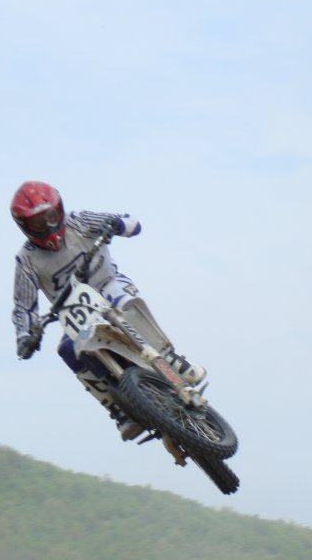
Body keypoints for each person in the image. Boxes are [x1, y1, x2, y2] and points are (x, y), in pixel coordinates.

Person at [11, 180, 204, 441]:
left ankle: (170, 358)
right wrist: (25, 336)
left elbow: (132, 222)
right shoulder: (26, 259)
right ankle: (116, 407)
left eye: (50, 216)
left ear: (60, 210)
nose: (46, 226)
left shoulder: (80, 221)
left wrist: (117, 224)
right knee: (67, 349)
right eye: (37, 222)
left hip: (108, 284)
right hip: (76, 312)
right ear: (25, 226)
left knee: (123, 303)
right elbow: (24, 306)